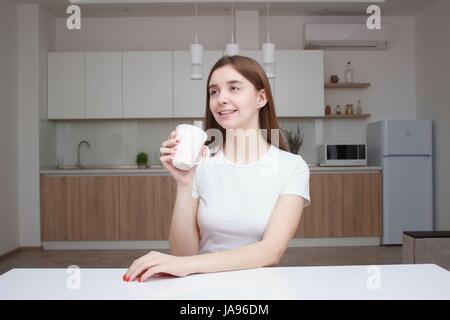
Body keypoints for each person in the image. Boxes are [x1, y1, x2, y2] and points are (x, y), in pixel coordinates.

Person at [123, 55, 310, 282]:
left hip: (261, 288)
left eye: (234, 88)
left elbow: (270, 252)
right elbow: (182, 254)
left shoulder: (291, 167)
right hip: (203, 287)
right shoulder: (200, 164)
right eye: (214, 91)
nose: (221, 99)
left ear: (261, 98)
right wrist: (185, 183)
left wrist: (188, 265)